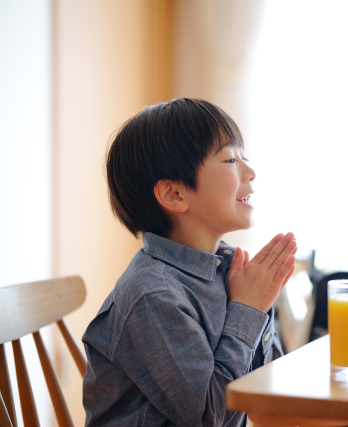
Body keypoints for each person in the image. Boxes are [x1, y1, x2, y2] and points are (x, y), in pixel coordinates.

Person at [82, 98, 296, 427]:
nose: (250, 172)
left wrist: (258, 305)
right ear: (174, 194)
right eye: (229, 159)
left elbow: (265, 390)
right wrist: (248, 309)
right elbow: (207, 415)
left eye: (245, 157)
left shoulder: (227, 272)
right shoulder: (151, 295)